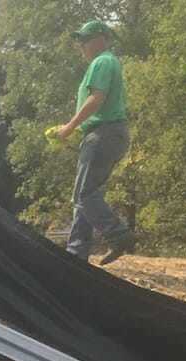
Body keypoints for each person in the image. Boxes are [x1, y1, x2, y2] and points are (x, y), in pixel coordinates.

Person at [52, 19, 136, 265]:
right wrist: (80, 133)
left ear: (100, 38)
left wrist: (69, 127)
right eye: (80, 40)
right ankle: (76, 252)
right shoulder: (108, 62)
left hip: (104, 133)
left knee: (84, 194)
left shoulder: (102, 61)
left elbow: (97, 97)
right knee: (85, 193)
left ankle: (119, 234)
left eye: (85, 39)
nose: (81, 45)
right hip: (109, 133)